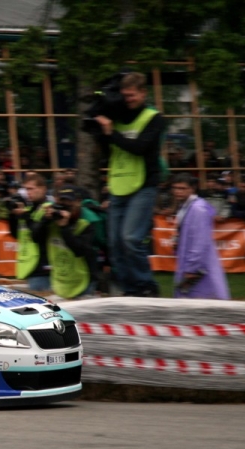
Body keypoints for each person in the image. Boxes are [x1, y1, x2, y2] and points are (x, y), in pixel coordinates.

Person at [93, 72, 164, 297]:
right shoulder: (116, 115)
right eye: (124, 95)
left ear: (143, 93)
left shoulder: (154, 118)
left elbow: (139, 147)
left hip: (144, 185)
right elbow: (107, 152)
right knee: (114, 243)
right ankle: (129, 289)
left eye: (132, 95)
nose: (128, 99)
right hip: (118, 184)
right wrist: (101, 132)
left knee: (131, 238)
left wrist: (111, 132)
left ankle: (146, 285)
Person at [168, 175, 230, 300]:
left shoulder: (198, 209)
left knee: (204, 301)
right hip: (192, 261)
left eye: (182, 188)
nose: (177, 191)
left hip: (199, 266)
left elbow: (200, 240)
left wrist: (192, 268)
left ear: (192, 189)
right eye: (175, 188)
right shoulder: (187, 206)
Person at [41, 188, 100, 299]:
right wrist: (45, 219)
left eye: (69, 203)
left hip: (84, 281)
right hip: (60, 281)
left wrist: (64, 227)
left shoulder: (87, 222)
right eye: (62, 203)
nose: (66, 207)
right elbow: (35, 238)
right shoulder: (53, 220)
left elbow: (79, 250)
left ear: (78, 202)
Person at [10, 174, 52, 292]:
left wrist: (25, 216)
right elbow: (16, 234)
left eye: (31, 189)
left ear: (43, 189)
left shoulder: (48, 209)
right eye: (26, 189)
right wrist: (12, 216)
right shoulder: (28, 210)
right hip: (29, 265)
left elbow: (37, 236)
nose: (28, 192)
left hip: (43, 265)